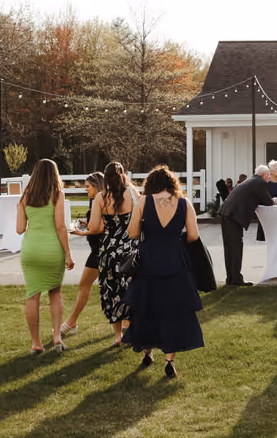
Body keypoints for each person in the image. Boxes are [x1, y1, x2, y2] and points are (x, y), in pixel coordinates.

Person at [122, 166, 204, 378]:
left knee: (147, 306)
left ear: (150, 184)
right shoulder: (185, 203)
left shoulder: (143, 202)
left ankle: (147, 353)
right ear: (172, 184)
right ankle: (169, 361)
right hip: (176, 260)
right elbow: (193, 235)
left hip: (149, 260)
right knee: (173, 311)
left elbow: (132, 233)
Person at [17, 158, 74, 354]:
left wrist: (20, 208)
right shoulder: (57, 194)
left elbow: (19, 229)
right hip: (51, 249)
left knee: (32, 295)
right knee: (55, 293)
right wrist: (68, 254)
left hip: (31, 250)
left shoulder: (25, 197)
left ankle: (35, 343)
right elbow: (60, 226)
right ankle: (57, 338)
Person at [88, 161, 139, 347]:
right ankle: (132, 331)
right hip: (130, 249)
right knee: (131, 290)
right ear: (123, 175)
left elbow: (94, 227)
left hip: (109, 251)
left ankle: (117, 337)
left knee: (112, 292)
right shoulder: (133, 195)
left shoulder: (101, 198)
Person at [60, 172, 105, 337]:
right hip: (100, 250)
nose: (85, 189)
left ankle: (71, 323)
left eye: (88, 186)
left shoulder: (99, 200)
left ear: (97, 186)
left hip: (100, 251)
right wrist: (88, 224)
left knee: (84, 285)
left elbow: (99, 229)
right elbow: (99, 224)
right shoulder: (99, 200)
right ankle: (128, 323)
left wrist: (81, 232)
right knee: (115, 288)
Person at [217, 165, 274, 286]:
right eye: (269, 174)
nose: (270, 176)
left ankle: (232, 278)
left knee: (231, 248)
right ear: (263, 174)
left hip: (228, 214)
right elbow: (268, 202)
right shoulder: (259, 182)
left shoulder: (252, 181)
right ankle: (235, 279)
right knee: (235, 247)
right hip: (233, 216)